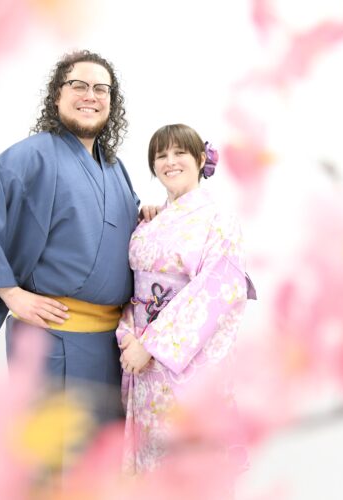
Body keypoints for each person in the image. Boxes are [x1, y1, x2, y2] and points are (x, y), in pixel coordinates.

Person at [0, 50, 141, 426]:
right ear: (57, 95)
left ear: (111, 101)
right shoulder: (33, 156)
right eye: (79, 85)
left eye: (101, 89)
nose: (90, 96)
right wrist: (10, 292)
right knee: (52, 449)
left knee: (101, 454)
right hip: (52, 339)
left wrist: (148, 215)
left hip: (111, 344)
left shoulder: (115, 168)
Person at [116, 124, 257, 474]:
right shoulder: (149, 221)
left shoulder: (218, 219)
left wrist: (150, 345)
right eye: (161, 155)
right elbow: (133, 289)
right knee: (151, 465)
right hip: (144, 363)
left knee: (188, 463)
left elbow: (218, 290)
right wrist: (128, 335)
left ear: (200, 160)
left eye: (180, 152)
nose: (170, 161)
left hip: (182, 360)